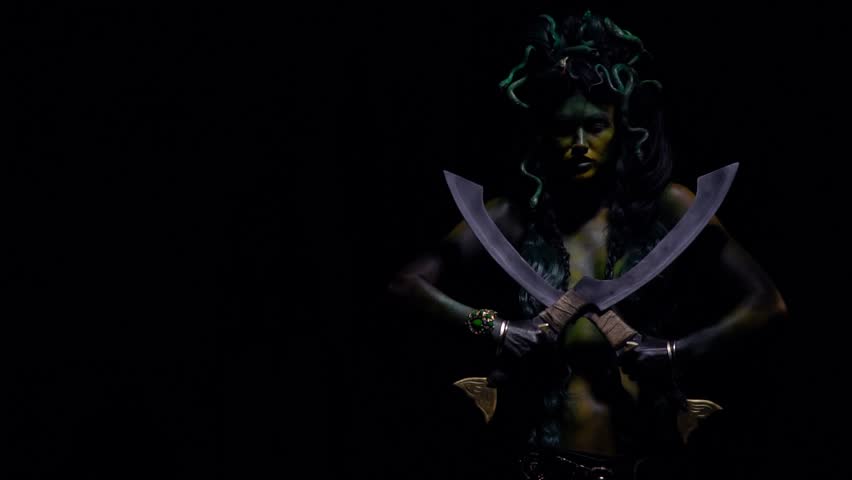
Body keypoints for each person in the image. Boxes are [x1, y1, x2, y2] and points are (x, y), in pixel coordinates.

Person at [386, 10, 787, 480]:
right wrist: (495, 328)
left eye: (595, 126)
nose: (579, 143)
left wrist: (677, 351)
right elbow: (407, 285)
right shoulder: (512, 216)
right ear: (544, 132)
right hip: (538, 462)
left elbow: (768, 303)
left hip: (645, 461)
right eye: (564, 128)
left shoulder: (669, 210)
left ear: (620, 129)